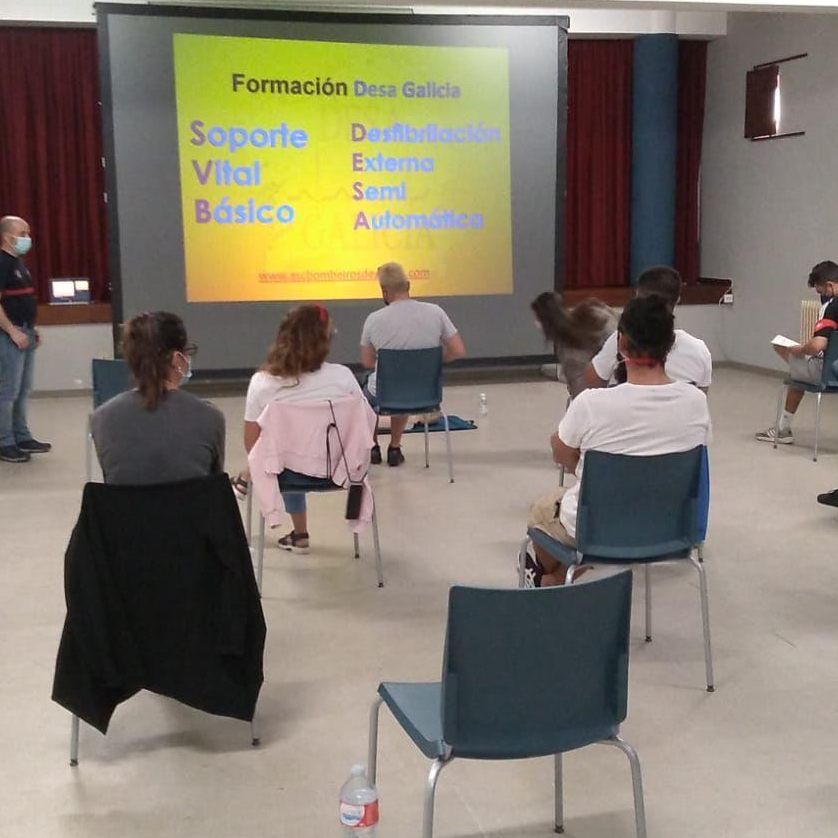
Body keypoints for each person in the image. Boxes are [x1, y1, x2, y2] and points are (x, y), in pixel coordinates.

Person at [525, 295, 712, 587]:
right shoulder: (696, 402)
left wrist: (578, 466)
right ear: (670, 345)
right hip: (668, 530)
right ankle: (561, 577)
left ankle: (555, 579)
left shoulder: (591, 403)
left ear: (620, 344)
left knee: (542, 509)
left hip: (597, 530)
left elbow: (560, 452)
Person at [244, 304, 362, 554]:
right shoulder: (343, 377)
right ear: (325, 340)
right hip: (339, 471)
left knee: (280, 453)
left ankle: (299, 533)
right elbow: (362, 433)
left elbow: (252, 446)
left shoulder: (262, 383)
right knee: (291, 451)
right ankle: (299, 535)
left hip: (285, 474)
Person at [91, 311, 224, 484]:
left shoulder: (102, 418)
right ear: (178, 359)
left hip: (126, 511)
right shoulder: (210, 417)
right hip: (189, 510)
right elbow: (213, 487)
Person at [360, 262, 466, 466]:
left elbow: (366, 361)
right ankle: (395, 447)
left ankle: (373, 447)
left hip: (386, 392)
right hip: (425, 392)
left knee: (365, 392)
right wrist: (433, 363)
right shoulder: (436, 312)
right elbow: (458, 350)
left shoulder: (374, 319)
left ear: (384, 291)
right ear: (408, 285)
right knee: (402, 388)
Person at [583, 265, 712, 391]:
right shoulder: (699, 349)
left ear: (637, 297)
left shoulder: (621, 339)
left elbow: (589, 384)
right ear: (677, 300)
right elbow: (700, 397)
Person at [755, 260, 838, 444]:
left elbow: (817, 345)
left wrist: (801, 349)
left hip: (829, 374)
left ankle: (783, 430)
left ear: (830, 286)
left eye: (821, 291)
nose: (822, 296)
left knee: (785, 352)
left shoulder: (832, 307)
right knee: (801, 368)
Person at [0, 215, 51, 463]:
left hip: (25, 330)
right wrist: (12, 330)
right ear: (7, 236)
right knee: (7, 391)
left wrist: (32, 328)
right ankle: (4, 441)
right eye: (22, 234)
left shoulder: (19, 263)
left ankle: (21, 435)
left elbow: (23, 299)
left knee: (22, 390)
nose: (27, 238)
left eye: (27, 233)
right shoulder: (2, 262)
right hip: (9, 335)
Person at [531, 291, 617, 397]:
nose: (535, 324)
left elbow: (581, 394)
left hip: (608, 385)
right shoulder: (591, 309)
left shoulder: (568, 351)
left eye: (537, 319)